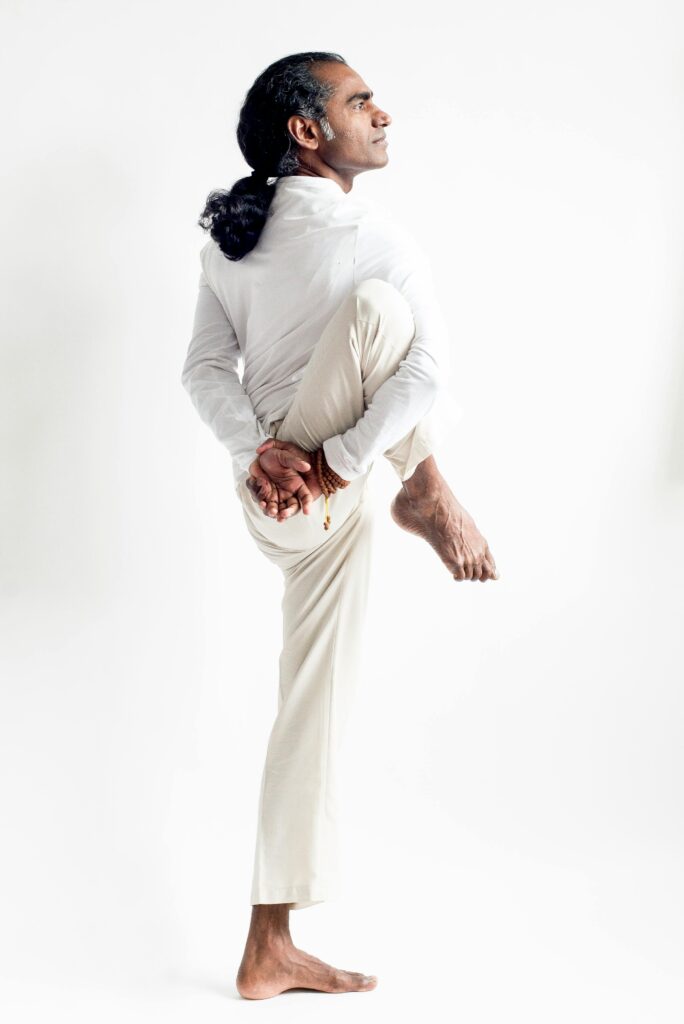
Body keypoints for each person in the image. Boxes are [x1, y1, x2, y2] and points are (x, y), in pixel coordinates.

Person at [181, 51, 499, 1000]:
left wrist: (259, 454)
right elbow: (430, 371)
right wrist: (331, 462)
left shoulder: (229, 246)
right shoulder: (371, 236)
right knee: (382, 315)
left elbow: (203, 374)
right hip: (315, 489)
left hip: (277, 503)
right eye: (361, 101)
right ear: (308, 133)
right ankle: (428, 490)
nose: (383, 113)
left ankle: (268, 942)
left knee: (308, 704)